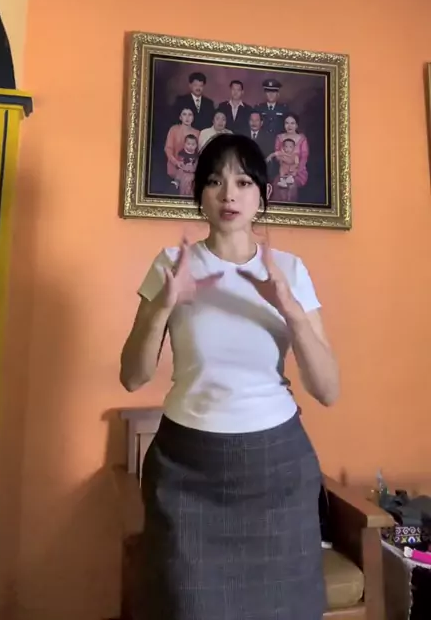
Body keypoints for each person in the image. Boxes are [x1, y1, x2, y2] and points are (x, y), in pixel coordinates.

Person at [120, 133, 339, 620]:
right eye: (215, 181)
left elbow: (328, 390)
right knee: (186, 606)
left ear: (263, 194)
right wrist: (163, 306)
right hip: (187, 469)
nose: (229, 194)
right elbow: (132, 377)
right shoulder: (171, 266)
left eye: (243, 182)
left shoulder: (290, 271)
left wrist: (291, 310)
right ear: (199, 194)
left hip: (277, 471)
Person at [271, 113, 309, 204]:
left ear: (297, 125)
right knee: (278, 186)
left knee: (291, 186)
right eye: (287, 123)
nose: (289, 126)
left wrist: (294, 170)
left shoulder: (302, 138)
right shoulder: (279, 137)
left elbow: (304, 158)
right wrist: (285, 163)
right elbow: (277, 156)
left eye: (292, 123)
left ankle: (290, 209)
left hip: (298, 172)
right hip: (282, 170)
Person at [164, 108, 199, 183]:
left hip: (191, 170)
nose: (187, 117)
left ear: (193, 117)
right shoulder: (174, 129)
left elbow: (199, 152)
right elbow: (168, 149)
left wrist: (194, 166)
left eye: (190, 115)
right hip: (174, 169)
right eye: (184, 114)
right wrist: (176, 162)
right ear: (180, 117)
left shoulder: (197, 133)